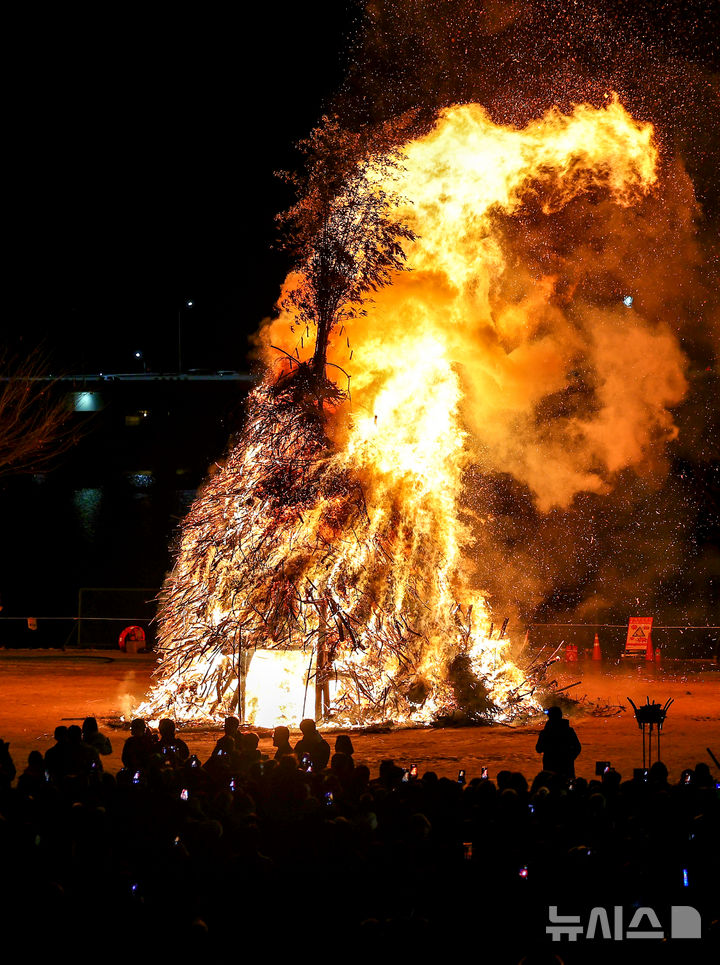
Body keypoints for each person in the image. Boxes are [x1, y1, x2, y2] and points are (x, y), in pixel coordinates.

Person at [535, 706, 581, 779]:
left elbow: (538, 749)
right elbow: (578, 748)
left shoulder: (546, 732)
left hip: (550, 769)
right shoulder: (568, 731)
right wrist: (569, 758)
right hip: (567, 769)